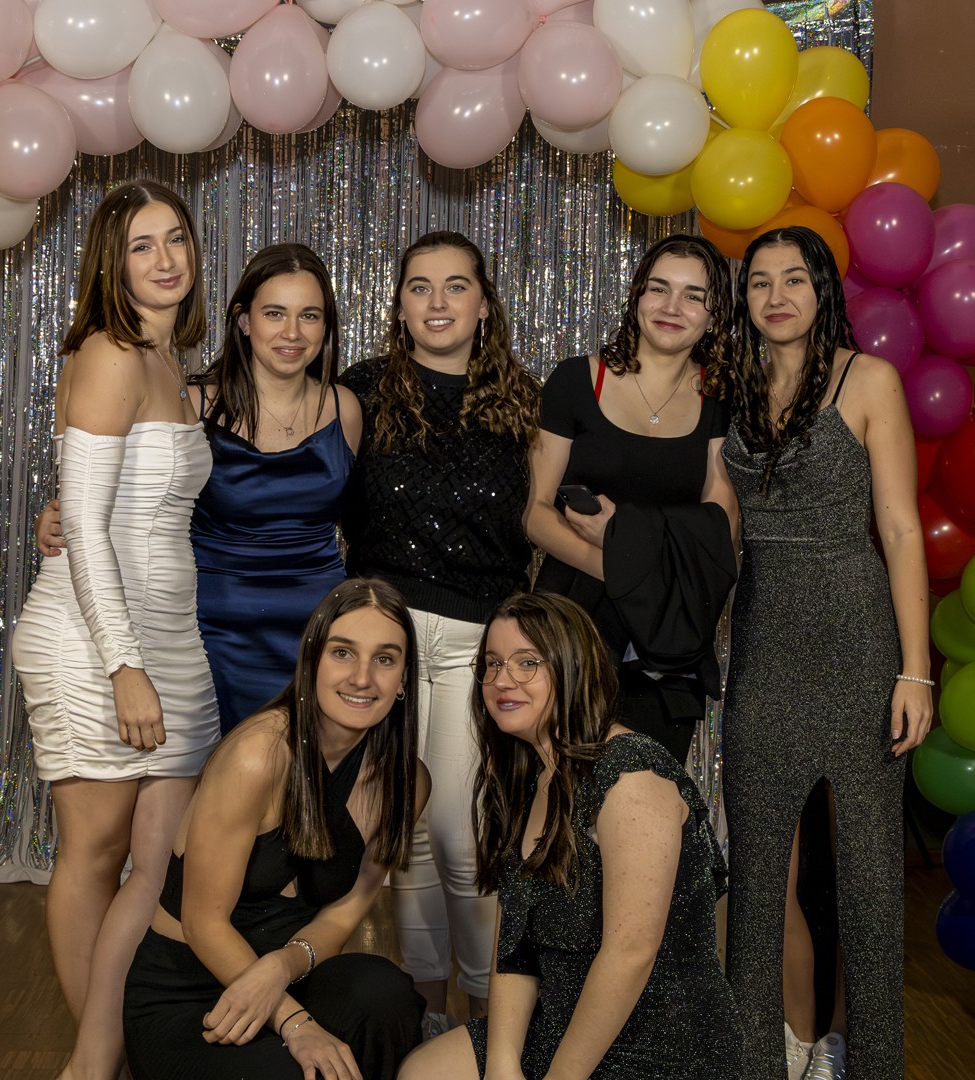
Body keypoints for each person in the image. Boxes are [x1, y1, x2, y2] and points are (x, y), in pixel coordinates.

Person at [8, 179, 219, 1080]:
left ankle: (121, 1049)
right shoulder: (108, 352)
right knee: (94, 854)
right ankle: (96, 1064)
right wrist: (123, 665)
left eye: (176, 239)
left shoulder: (173, 361)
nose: (165, 260)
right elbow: (88, 529)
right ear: (112, 263)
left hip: (173, 637)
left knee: (163, 861)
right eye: (141, 245)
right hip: (92, 641)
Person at [718, 226, 933, 1080]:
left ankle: (873, 1065)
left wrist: (915, 669)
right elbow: (722, 526)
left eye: (794, 279)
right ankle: (756, 1064)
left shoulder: (868, 379)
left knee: (871, 879)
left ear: (823, 292)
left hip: (857, 635)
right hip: (763, 642)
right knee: (757, 876)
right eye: (760, 282)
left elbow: (901, 530)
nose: (776, 296)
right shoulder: (731, 389)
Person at [397, 591, 741, 1080]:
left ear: (574, 668)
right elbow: (514, 945)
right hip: (560, 1018)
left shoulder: (630, 773)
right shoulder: (531, 776)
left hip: (660, 1042)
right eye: (492, 664)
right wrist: (502, 1064)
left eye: (526, 662)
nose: (502, 680)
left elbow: (630, 954)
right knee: (422, 1071)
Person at [337, 231, 542, 1028]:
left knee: (464, 837)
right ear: (398, 305)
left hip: (476, 648)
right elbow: (265, 442)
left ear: (484, 304)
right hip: (382, 645)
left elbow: (566, 505)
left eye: (456, 286)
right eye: (419, 286)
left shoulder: (525, 404)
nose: (437, 302)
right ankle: (427, 1021)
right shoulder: (362, 390)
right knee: (407, 837)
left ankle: (489, 1027)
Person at [39, 243, 360, 732]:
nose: (292, 333)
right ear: (244, 320)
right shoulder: (191, 402)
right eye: (274, 313)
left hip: (320, 635)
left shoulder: (346, 409)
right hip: (212, 635)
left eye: (309, 316)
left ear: (326, 326)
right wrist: (57, 514)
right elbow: (120, 497)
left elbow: (370, 520)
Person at [122, 579, 430, 1080]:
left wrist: (282, 967)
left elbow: (345, 911)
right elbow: (202, 922)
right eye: (343, 652)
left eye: (385, 659)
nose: (362, 677)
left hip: (284, 979)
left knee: (385, 993)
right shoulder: (257, 756)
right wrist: (296, 1024)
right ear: (312, 662)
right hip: (189, 995)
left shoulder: (405, 782)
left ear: (403, 680)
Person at [525, 234, 741, 764]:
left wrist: (627, 544)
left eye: (694, 296)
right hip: (573, 618)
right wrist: (623, 565)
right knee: (557, 785)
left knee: (651, 788)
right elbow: (536, 513)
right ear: (637, 296)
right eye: (658, 288)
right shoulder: (576, 380)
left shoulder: (721, 398)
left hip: (666, 631)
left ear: (714, 315)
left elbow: (721, 525)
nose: (672, 307)